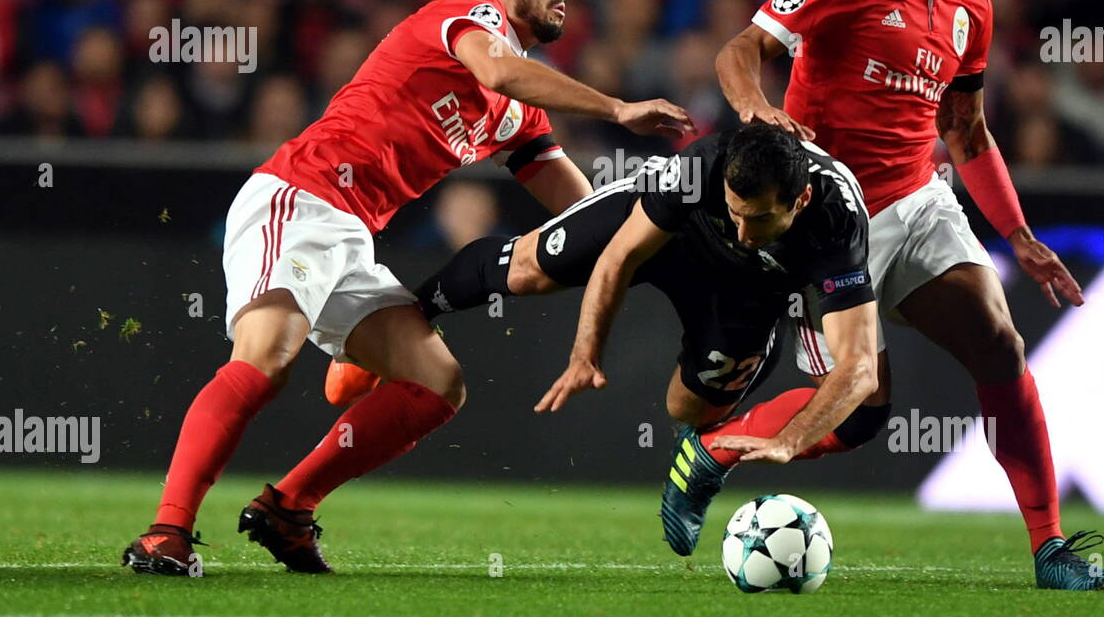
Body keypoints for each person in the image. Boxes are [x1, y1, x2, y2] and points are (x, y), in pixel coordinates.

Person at [122, 0, 693, 575]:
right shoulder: (467, 17)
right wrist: (617, 109)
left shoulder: (520, 115)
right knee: (267, 357)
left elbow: (582, 212)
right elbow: (501, 72)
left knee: (437, 382)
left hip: (352, 234)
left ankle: (289, 506)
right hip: (298, 197)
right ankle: (166, 532)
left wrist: (672, 231)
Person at [713, 0, 1104, 590]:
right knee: (863, 414)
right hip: (826, 217)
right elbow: (739, 49)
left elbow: (964, 132)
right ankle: (710, 453)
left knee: (1001, 343)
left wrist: (1020, 237)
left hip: (917, 198)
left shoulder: (972, 8)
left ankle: (1051, 548)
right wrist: (755, 109)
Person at [355, 123, 879, 556]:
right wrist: (586, 352)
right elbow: (620, 256)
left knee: (690, 409)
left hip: (749, 286)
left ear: (802, 198)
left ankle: (698, 458)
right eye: (736, 212)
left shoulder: (838, 220)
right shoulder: (697, 170)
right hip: (665, 236)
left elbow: (858, 367)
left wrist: (790, 440)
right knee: (534, 268)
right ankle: (408, 314)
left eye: (760, 218)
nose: (743, 231)